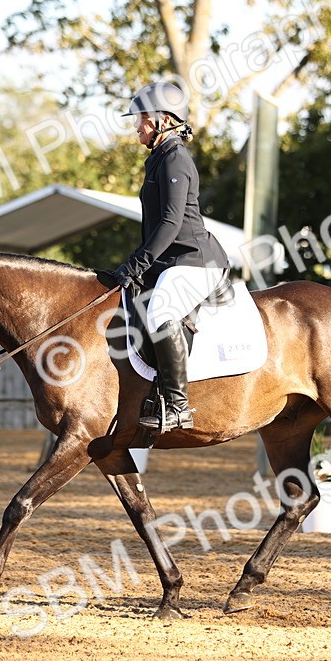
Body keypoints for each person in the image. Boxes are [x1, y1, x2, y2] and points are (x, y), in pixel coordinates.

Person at [114, 81, 229, 432]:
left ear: (163, 121)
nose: (136, 126)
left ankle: (178, 406)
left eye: (142, 119)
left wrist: (137, 263)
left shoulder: (175, 159)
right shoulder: (159, 158)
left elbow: (170, 222)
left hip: (197, 260)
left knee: (162, 309)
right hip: (173, 262)